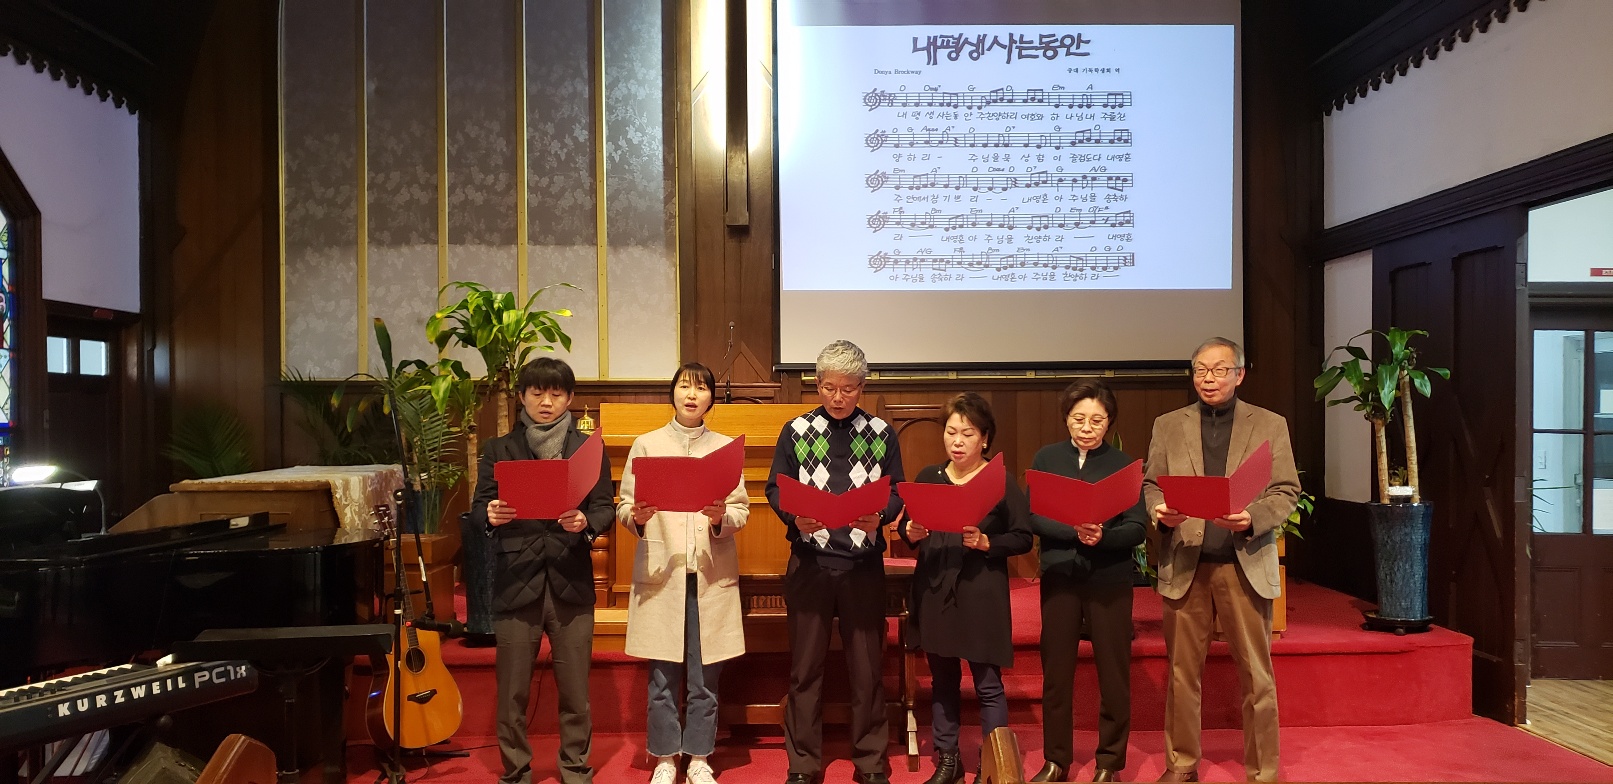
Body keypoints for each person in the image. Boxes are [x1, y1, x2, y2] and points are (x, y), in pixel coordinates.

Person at [1142, 338, 1300, 783]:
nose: (1208, 379)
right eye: (1200, 370)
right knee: (1181, 675)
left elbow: (1286, 489)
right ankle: (1181, 764)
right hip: (1187, 563)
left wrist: (1253, 518)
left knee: (1257, 677)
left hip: (1242, 562)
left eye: (1218, 370)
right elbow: (1151, 484)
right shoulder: (1168, 425)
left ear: (1239, 374)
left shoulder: (1269, 424)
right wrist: (1158, 510)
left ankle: (1263, 770)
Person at [765, 340, 904, 784]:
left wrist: (882, 515)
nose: (838, 398)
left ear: (862, 387)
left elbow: (897, 490)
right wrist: (793, 515)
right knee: (805, 670)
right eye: (829, 388)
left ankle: (871, 763)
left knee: (867, 670)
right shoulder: (797, 430)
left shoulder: (881, 432)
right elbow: (775, 487)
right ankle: (803, 764)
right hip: (811, 563)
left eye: (848, 389)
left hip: (862, 566)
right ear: (816, 384)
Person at [473, 357, 616, 784]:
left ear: (570, 398)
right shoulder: (498, 449)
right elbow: (478, 507)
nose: (546, 402)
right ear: (522, 396)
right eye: (537, 393)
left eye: (556, 393)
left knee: (575, 691)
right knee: (512, 693)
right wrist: (490, 514)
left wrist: (586, 522)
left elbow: (604, 507)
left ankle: (575, 769)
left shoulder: (589, 449)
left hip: (570, 578)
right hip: (517, 578)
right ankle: (516, 772)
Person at [617, 363, 750, 784]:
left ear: (712, 398)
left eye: (701, 388)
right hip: (664, 572)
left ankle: (698, 758)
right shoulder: (647, 444)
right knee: (662, 676)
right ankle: (663, 758)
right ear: (672, 393)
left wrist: (720, 516)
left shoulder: (725, 449)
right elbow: (624, 507)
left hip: (709, 575)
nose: (692, 395)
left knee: (704, 676)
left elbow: (741, 510)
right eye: (684, 387)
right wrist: (636, 517)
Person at [898, 392, 1033, 784]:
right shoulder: (930, 477)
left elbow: (1023, 537)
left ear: (985, 438)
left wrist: (988, 542)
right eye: (951, 432)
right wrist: (910, 531)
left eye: (967, 433)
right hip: (935, 588)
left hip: (980, 592)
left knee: (987, 683)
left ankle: (993, 766)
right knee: (942, 681)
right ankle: (948, 760)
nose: (957, 441)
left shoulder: (1000, 481)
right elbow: (908, 527)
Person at [1027, 380, 1147, 783]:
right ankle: (1056, 760)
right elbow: (1033, 516)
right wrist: (1073, 531)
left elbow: (1137, 528)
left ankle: (1109, 763)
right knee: (1057, 674)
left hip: (1109, 580)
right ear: (1067, 418)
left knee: (1113, 675)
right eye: (1079, 419)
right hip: (1061, 577)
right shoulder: (1047, 458)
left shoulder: (1123, 465)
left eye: (1097, 420)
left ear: (1109, 422)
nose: (1086, 428)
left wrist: (1103, 537)